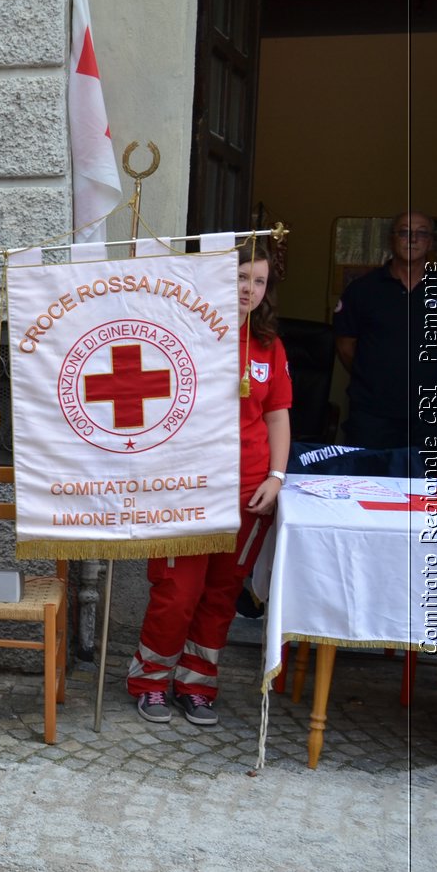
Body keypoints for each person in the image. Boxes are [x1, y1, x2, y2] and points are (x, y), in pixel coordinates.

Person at [127, 243, 292, 726]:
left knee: (222, 594)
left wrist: (277, 477)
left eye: (259, 281)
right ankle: (150, 680)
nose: (248, 289)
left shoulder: (268, 345)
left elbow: (277, 415)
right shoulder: (185, 333)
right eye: (242, 276)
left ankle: (196, 683)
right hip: (189, 487)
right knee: (177, 590)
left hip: (248, 490)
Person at [334, 211, 437, 450]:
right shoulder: (363, 290)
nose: (412, 239)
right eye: (404, 232)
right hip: (372, 414)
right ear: (391, 239)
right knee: (366, 483)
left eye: (421, 233)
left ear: (430, 242)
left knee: (425, 484)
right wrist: (376, 377)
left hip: (429, 414)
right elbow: (345, 345)